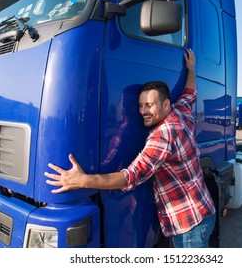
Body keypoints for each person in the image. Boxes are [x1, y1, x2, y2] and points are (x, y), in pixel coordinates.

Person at [44, 49, 216, 248]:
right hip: (202, 210)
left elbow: (131, 176)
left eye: (149, 105)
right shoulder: (180, 111)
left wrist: (82, 180)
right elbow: (190, 92)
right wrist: (191, 68)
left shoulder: (163, 135)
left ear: (165, 103)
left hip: (188, 224)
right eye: (140, 105)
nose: (143, 111)